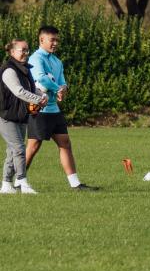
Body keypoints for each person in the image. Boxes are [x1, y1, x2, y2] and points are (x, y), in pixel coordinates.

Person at [25, 25, 98, 191]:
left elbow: (62, 80)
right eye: (52, 40)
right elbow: (41, 79)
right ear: (41, 40)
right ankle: (18, 180)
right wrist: (57, 88)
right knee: (33, 146)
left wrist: (63, 88)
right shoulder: (36, 59)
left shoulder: (57, 61)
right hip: (38, 109)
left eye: (57, 40)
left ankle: (75, 184)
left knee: (65, 143)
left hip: (53, 110)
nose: (55, 43)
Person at [0, 39, 49, 194]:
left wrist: (43, 95)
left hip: (20, 116)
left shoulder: (24, 70)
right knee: (19, 148)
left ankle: (6, 184)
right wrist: (38, 100)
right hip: (6, 116)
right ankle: (22, 181)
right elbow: (19, 91)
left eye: (28, 50)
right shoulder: (9, 70)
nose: (26, 53)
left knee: (12, 151)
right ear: (13, 52)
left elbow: (32, 88)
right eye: (23, 50)